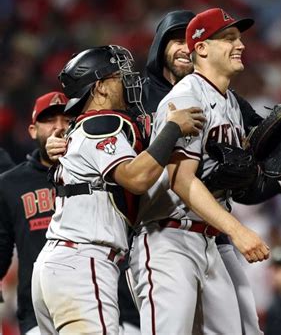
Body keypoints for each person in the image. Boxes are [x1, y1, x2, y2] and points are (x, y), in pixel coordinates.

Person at [31, 44, 205, 334]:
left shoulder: (81, 129)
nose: (127, 81)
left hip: (58, 265)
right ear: (99, 88)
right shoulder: (101, 124)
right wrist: (173, 128)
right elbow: (136, 178)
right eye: (118, 76)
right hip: (82, 263)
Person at [129, 8, 272, 335]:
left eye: (239, 38)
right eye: (229, 38)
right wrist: (238, 230)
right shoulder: (187, 96)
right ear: (202, 48)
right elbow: (181, 180)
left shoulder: (231, 103)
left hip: (207, 239)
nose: (241, 46)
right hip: (169, 238)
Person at [0, 92, 71, 334]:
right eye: (50, 120)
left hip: (91, 297)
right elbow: (2, 248)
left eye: (67, 120)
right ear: (32, 130)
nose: (59, 127)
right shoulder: (10, 183)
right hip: (35, 310)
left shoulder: (96, 175)